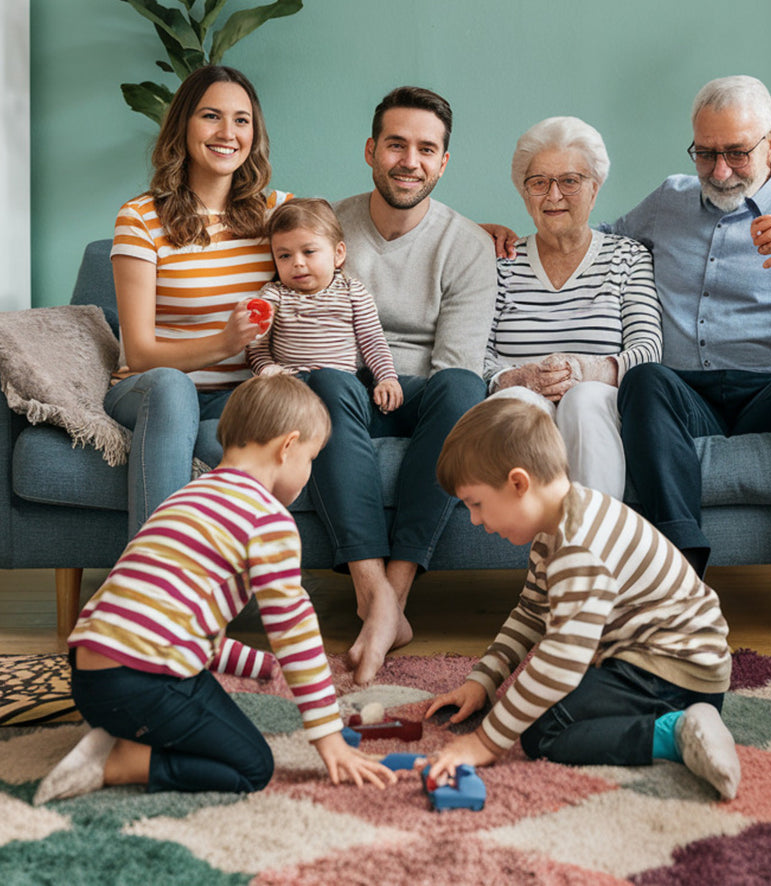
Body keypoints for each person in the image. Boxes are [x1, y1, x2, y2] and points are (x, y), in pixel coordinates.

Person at [34, 373, 394, 803]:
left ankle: (124, 730)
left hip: (90, 681)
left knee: (191, 696)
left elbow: (172, 621)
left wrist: (255, 665)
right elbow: (294, 631)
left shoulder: (187, 497)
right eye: (311, 458)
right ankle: (120, 761)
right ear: (288, 446)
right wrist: (328, 736)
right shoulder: (267, 518)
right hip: (140, 684)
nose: (308, 472)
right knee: (251, 765)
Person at [613, 75, 771, 660]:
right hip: (687, 393)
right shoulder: (667, 200)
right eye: (706, 152)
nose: (720, 169)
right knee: (644, 378)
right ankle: (683, 588)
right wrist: (502, 240)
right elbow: (594, 245)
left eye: (737, 152)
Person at [424, 398, 740, 800]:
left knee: (544, 732)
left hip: (675, 673)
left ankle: (675, 732)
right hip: (660, 661)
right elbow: (531, 613)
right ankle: (677, 718)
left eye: (476, 504)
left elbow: (560, 663)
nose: (475, 520)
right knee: (536, 706)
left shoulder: (578, 547)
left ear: (518, 483)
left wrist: (485, 743)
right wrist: (483, 681)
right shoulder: (556, 527)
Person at [305, 86, 497, 685]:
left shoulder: (467, 244)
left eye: (425, 149)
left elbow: (456, 360)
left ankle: (395, 593)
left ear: (443, 162)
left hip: (421, 394)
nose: (408, 161)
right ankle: (374, 599)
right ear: (371, 150)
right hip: (346, 387)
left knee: (463, 389)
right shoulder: (329, 228)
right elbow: (305, 322)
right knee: (330, 381)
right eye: (396, 144)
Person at [105, 64, 290, 535]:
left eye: (242, 120)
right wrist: (224, 342)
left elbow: (355, 233)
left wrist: (470, 230)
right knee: (172, 387)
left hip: (236, 397)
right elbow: (141, 353)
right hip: (150, 390)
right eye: (212, 116)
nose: (228, 133)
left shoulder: (276, 213)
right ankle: (153, 583)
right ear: (183, 126)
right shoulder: (141, 218)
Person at [483, 116, 662, 498]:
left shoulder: (627, 256)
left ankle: (591, 548)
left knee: (582, 399)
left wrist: (587, 370)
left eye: (569, 181)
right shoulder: (502, 263)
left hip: (599, 403)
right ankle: (548, 545)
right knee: (521, 404)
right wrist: (519, 377)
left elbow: (648, 351)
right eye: (538, 183)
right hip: (521, 399)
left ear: (594, 189)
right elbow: (473, 353)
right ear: (523, 192)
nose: (553, 196)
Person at [246, 197, 403, 414]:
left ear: (338, 254)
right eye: (284, 256)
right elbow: (256, 346)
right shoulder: (274, 296)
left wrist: (386, 378)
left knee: (334, 386)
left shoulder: (352, 292)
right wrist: (268, 369)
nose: (297, 263)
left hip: (340, 386)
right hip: (290, 389)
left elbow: (373, 341)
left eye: (309, 252)